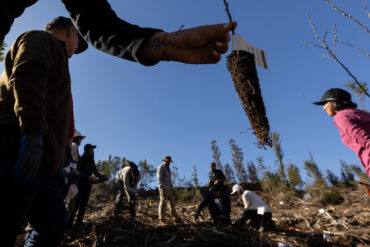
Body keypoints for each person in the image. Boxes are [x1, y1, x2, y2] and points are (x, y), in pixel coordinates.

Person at [0, 16, 87, 246]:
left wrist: (61, 162)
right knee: (5, 221)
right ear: (71, 33)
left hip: (46, 162)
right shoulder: (41, 39)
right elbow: (27, 75)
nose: (75, 50)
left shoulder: (61, 67)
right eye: (78, 42)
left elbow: (61, 121)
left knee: (52, 226)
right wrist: (33, 135)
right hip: (18, 141)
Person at [2, 1, 237, 66]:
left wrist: (165, 45)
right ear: (71, 31)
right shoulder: (32, 45)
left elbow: (97, 23)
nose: (71, 54)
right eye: (73, 45)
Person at [313, 88, 370, 177]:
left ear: (335, 102)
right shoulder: (363, 113)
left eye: (325, 103)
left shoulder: (341, 116)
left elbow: (361, 137)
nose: (324, 108)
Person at [67, 143, 107, 226]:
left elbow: (96, 172)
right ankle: (69, 223)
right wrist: (87, 176)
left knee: (84, 204)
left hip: (88, 185)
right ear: (87, 150)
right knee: (77, 203)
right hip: (80, 184)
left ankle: (79, 223)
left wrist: (103, 177)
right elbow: (78, 171)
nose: (92, 151)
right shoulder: (82, 159)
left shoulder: (92, 162)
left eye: (93, 149)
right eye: (91, 149)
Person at [156, 155, 180, 226]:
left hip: (169, 189)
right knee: (163, 203)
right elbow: (159, 178)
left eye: (169, 161)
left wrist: (172, 189)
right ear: (164, 161)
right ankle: (161, 219)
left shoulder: (168, 169)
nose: (168, 162)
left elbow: (169, 180)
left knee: (172, 204)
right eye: (167, 161)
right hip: (164, 189)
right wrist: (162, 187)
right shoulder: (160, 167)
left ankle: (175, 218)